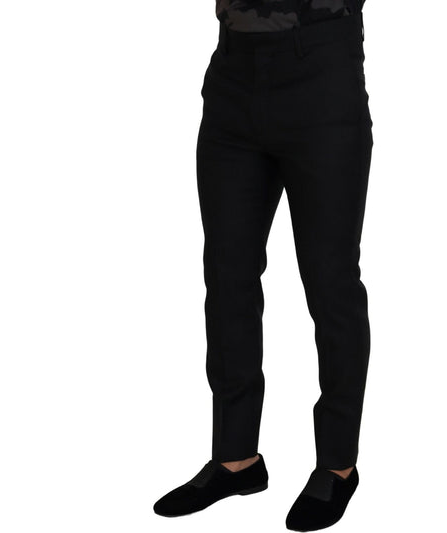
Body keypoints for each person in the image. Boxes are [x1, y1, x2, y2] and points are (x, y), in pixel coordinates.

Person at [153, 1, 373, 530]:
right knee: (228, 277)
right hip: (233, 70)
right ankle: (236, 459)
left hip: (321, 67)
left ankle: (338, 465)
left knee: (330, 283)